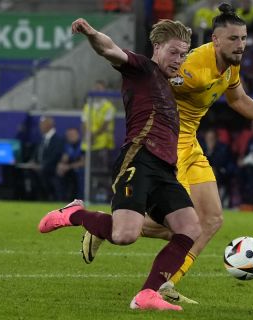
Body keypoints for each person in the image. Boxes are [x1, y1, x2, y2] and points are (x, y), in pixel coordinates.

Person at [81, 2, 253, 304]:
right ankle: (107, 225)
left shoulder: (231, 64)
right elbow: (155, 79)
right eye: (234, 39)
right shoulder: (192, 68)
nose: (241, 45)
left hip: (190, 143)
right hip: (167, 144)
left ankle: (167, 283)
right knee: (179, 224)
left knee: (212, 220)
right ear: (215, 39)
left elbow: (238, 98)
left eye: (244, 38)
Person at [38, 18, 201, 311]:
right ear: (158, 47)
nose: (179, 59)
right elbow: (110, 49)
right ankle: (74, 214)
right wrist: (91, 34)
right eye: (174, 52)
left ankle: (147, 295)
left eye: (184, 54)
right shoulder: (141, 68)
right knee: (125, 235)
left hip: (165, 169)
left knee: (190, 228)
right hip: (138, 159)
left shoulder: (166, 81)